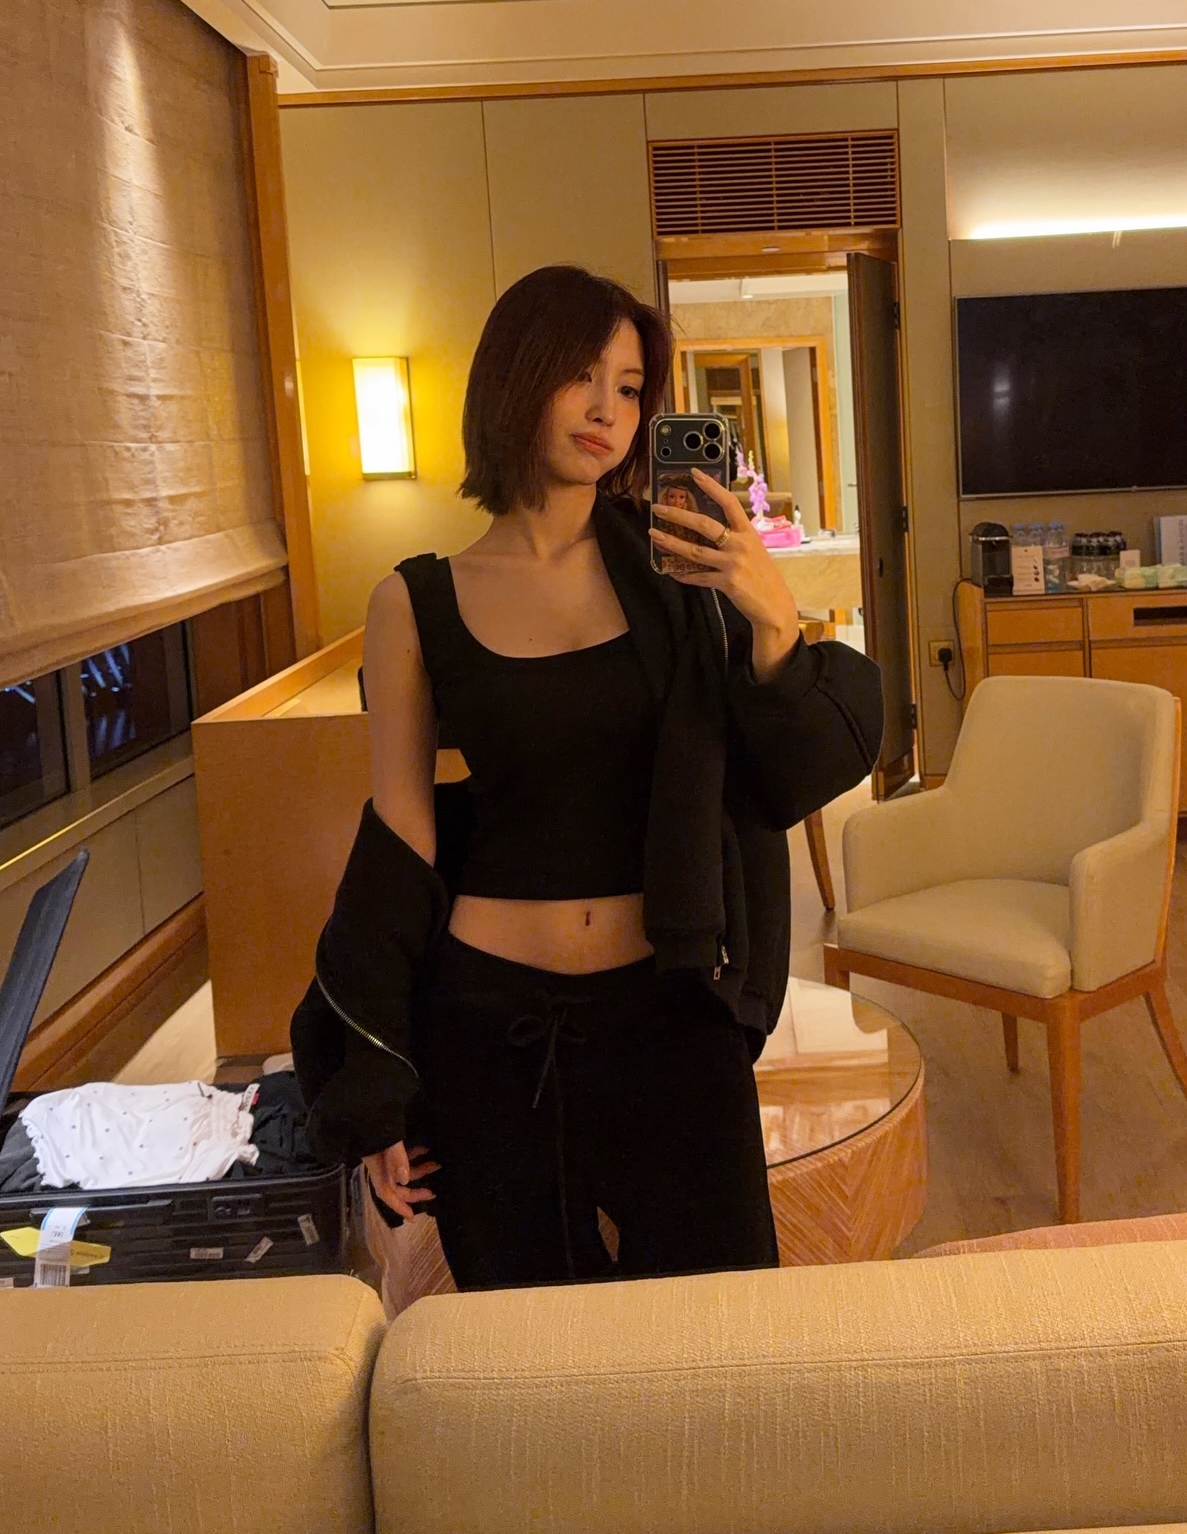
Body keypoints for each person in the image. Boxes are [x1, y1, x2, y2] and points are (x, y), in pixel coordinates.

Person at [292, 263, 884, 1290]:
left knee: (725, 1316)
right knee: (524, 1344)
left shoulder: (677, 574)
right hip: (487, 1026)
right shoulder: (414, 602)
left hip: (669, 1005)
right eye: (582, 375)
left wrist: (773, 616)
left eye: (630, 385)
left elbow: (780, 776)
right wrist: (375, 1074)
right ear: (516, 378)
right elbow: (400, 836)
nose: (610, 408)